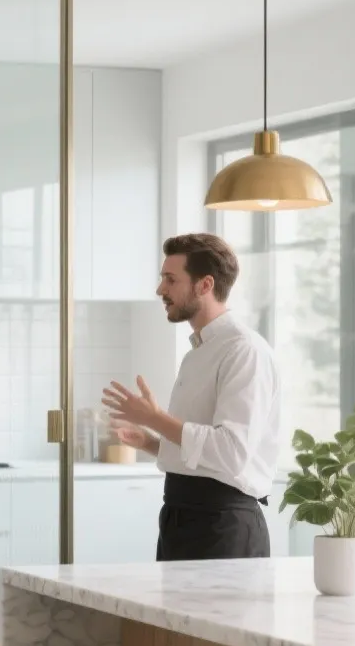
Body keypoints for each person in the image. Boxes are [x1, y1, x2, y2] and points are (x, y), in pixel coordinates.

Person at [101, 232, 282, 561]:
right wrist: (151, 442)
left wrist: (156, 418)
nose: (160, 290)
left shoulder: (244, 351)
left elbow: (231, 453)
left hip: (224, 528)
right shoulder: (197, 352)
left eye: (170, 280)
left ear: (205, 285)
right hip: (180, 518)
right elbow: (204, 457)